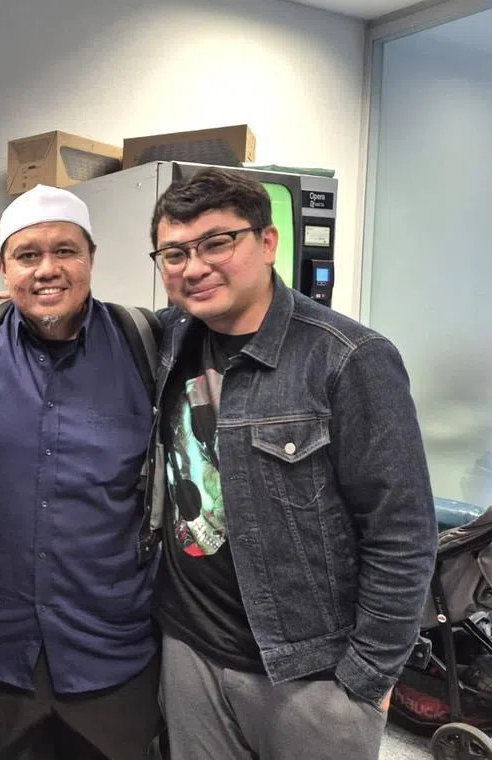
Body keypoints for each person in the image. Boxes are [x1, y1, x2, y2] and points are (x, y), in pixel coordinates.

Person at [145, 168, 438, 759]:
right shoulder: (171, 338)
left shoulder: (349, 358)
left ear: (268, 242)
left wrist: (367, 678)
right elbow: (94, 324)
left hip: (311, 673)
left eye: (216, 243)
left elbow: (403, 530)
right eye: (175, 253)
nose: (194, 267)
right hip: (190, 650)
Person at [0, 184, 161, 760]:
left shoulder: (145, 345)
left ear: (92, 257)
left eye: (65, 251)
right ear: (2, 267)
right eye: (27, 255)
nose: (47, 270)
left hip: (111, 651)